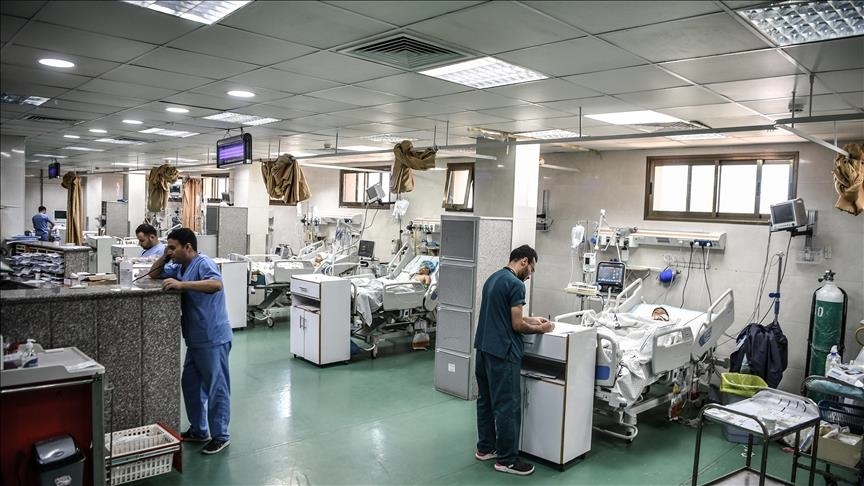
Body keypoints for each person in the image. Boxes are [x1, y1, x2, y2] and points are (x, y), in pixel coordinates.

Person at [473, 245, 554, 476]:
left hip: (484, 349)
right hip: (503, 353)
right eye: (531, 269)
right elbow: (516, 325)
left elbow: (504, 314)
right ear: (524, 261)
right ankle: (507, 460)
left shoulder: (493, 278)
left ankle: (485, 448)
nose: (530, 275)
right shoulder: (516, 284)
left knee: (486, 401)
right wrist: (542, 329)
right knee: (507, 407)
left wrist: (533, 319)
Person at [150, 228, 232, 455]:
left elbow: (215, 284)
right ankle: (199, 430)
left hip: (213, 336)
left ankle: (221, 436)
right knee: (191, 385)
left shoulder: (204, 263)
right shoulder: (180, 267)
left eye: (173, 247)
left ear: (188, 247)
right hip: (195, 338)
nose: (170, 251)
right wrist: (165, 255)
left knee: (217, 387)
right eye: (168, 247)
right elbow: (154, 274)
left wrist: (182, 285)